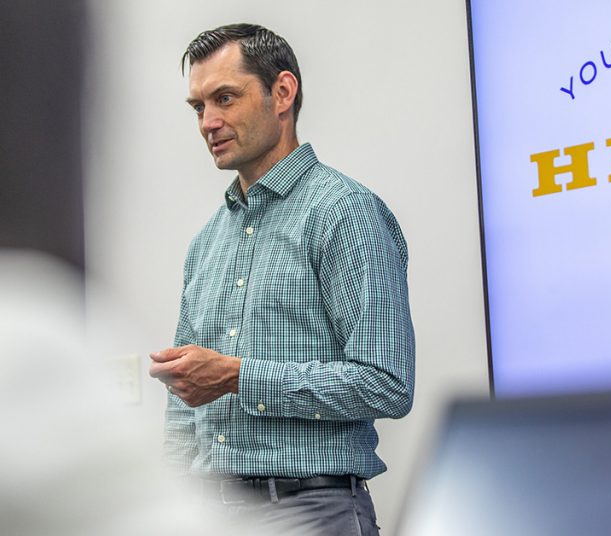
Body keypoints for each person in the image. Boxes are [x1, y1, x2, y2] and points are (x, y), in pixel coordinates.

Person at [148, 23, 415, 535]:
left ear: (283, 93)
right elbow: (183, 407)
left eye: (225, 98)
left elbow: (386, 384)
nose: (208, 122)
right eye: (198, 107)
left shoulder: (345, 213)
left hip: (312, 512)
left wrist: (238, 376)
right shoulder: (206, 243)